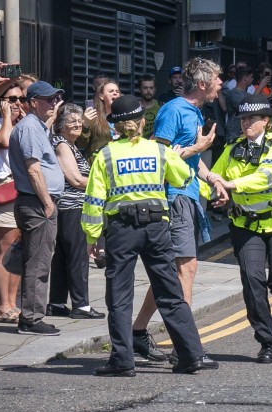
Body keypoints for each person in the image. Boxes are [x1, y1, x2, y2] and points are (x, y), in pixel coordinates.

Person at [81, 95, 217, 376]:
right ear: (143, 123)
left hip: (121, 230)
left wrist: (92, 238)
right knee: (170, 293)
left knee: (119, 296)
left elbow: (93, 201)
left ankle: (122, 361)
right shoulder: (158, 151)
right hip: (157, 228)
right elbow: (182, 178)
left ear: (115, 127)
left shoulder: (104, 155)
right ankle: (191, 356)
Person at [130, 57, 225, 363]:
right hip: (173, 197)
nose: (221, 83)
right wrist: (196, 149)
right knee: (185, 268)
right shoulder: (173, 110)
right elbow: (158, 156)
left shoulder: (195, 112)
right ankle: (185, 346)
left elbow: (189, 161)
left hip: (189, 194)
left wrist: (211, 177)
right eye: (217, 79)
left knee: (171, 273)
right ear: (202, 83)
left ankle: (138, 333)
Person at [209, 94, 272, 363]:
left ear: (266, 121)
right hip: (246, 224)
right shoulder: (233, 148)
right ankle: (266, 342)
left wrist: (231, 186)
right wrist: (216, 189)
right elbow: (216, 176)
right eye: (243, 119)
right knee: (252, 282)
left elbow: (267, 176)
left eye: (252, 118)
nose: (246, 124)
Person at [8, 81, 66, 336]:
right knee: (39, 262)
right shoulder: (30, 128)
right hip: (37, 203)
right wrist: (47, 203)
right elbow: (33, 169)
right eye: (48, 99)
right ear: (33, 102)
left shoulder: (37, 126)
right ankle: (31, 319)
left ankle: (31, 315)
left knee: (38, 260)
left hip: (36, 202)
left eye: (55, 99)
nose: (53, 103)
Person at [46, 103, 103, 320]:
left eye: (79, 120)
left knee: (62, 256)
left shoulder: (69, 144)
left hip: (68, 207)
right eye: (72, 121)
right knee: (79, 255)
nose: (78, 124)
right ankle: (81, 305)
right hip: (72, 207)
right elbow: (75, 179)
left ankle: (57, 303)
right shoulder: (62, 145)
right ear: (61, 126)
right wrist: (103, 184)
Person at [0, 81, 24, 323]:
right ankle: (3, 305)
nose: (17, 104)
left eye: (20, 99)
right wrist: (6, 116)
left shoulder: (19, 124)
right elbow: (3, 141)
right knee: (6, 249)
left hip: (19, 189)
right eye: (11, 99)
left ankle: (12, 303)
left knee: (17, 249)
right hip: (2, 189)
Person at [79, 79, 121, 160]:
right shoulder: (93, 117)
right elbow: (81, 145)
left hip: (118, 166)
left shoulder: (123, 118)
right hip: (98, 165)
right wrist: (85, 125)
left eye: (117, 91)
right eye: (111, 91)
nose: (115, 93)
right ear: (101, 96)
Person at [223, 65, 254, 143]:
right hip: (234, 133)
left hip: (246, 132)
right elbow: (247, 107)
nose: (252, 79)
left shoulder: (248, 94)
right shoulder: (232, 93)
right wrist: (261, 86)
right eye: (251, 77)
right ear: (245, 78)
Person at [136, 74, 161, 139]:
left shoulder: (161, 106)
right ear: (139, 89)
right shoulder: (134, 107)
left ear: (155, 89)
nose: (148, 91)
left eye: (151, 88)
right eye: (145, 88)